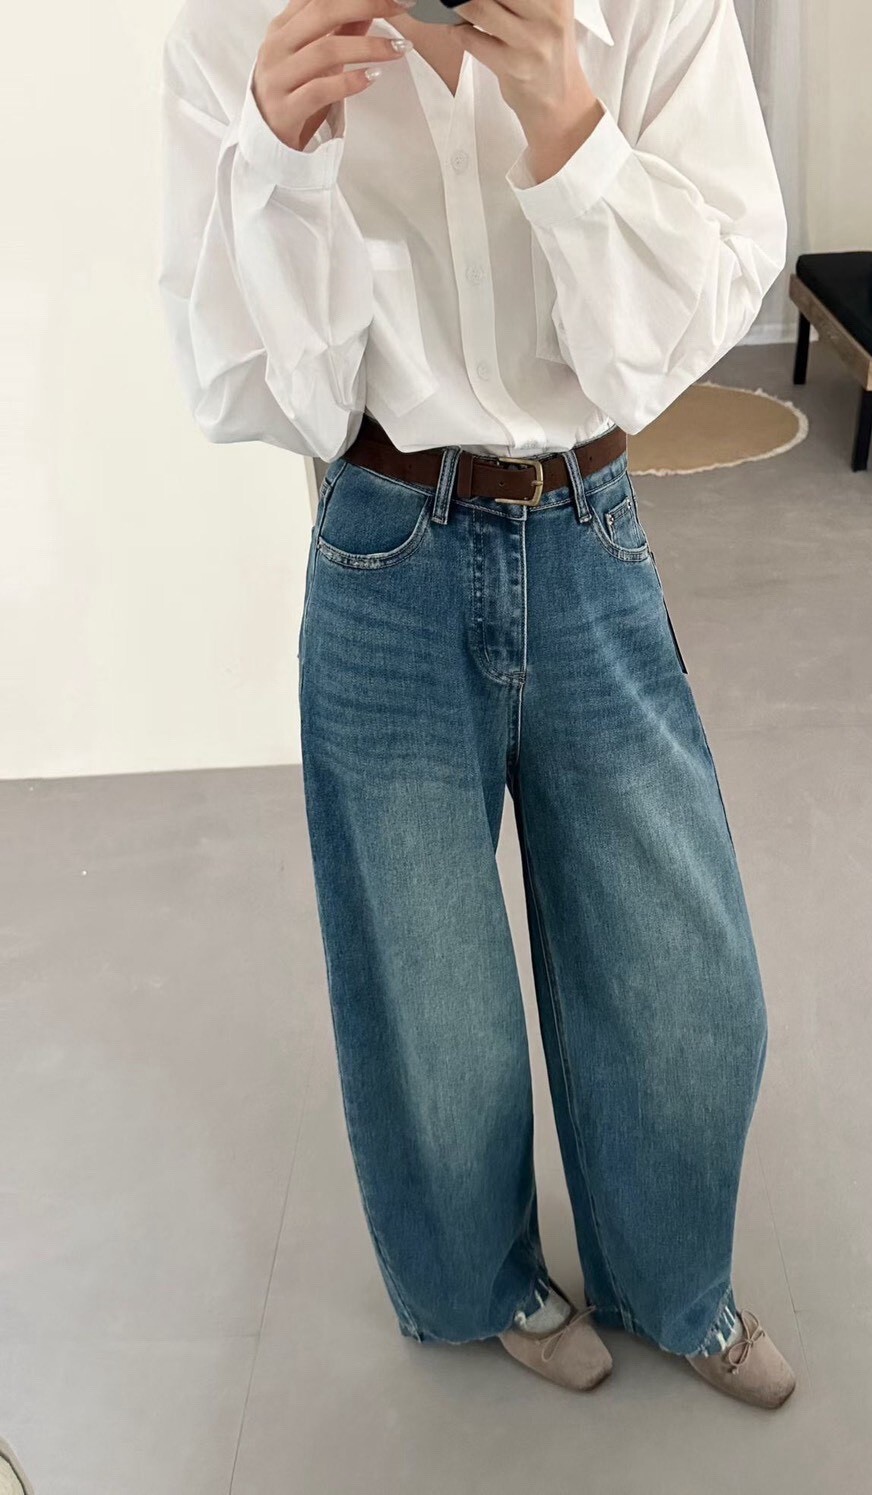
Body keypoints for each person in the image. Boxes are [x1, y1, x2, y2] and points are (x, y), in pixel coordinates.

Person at [158, 0, 794, 1407]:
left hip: (589, 524)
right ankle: (481, 1284)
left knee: (688, 989)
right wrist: (276, 167)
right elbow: (259, 390)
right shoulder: (235, 23)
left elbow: (677, 334)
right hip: (384, 541)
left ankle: (672, 1282)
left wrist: (569, 128)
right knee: (428, 1004)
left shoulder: (647, 10)